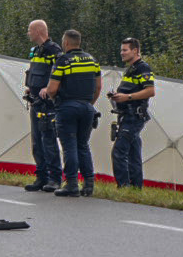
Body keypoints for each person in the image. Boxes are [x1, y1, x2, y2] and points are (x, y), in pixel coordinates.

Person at [40, 29, 103, 197]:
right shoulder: (92, 60)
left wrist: (52, 97)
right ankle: (89, 184)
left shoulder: (63, 61)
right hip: (87, 107)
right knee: (83, 145)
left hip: (67, 107)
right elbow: (98, 87)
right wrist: (89, 103)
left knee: (69, 146)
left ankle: (72, 184)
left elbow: (52, 88)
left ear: (66, 43)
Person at [108, 37, 156, 190]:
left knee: (118, 151)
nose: (121, 53)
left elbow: (150, 91)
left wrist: (127, 97)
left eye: (125, 50)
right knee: (134, 154)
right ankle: (136, 188)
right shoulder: (131, 69)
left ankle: (123, 187)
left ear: (135, 51)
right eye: (121, 50)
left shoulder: (143, 68)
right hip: (126, 116)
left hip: (134, 117)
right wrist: (117, 96)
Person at [22, 19, 63, 192]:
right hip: (35, 101)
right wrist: (29, 87)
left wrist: (49, 88)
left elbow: (59, 74)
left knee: (48, 141)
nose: (28, 33)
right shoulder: (36, 51)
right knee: (36, 142)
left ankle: (54, 178)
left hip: (47, 104)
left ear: (39, 31)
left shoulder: (54, 51)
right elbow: (33, 71)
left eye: (30, 30)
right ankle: (41, 176)